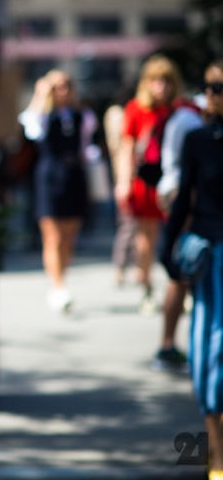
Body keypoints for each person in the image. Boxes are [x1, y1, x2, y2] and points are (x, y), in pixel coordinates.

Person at [160, 59, 223, 479]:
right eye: (210, 86)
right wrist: (168, 253)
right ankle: (216, 456)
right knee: (210, 351)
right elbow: (184, 199)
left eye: (219, 86)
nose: (213, 94)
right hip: (212, 257)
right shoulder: (199, 138)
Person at [19, 69, 97, 312]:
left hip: (74, 176)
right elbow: (32, 130)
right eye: (57, 87)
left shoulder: (81, 116)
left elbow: (87, 147)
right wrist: (41, 95)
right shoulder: (41, 115)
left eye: (66, 86)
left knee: (70, 234)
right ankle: (58, 285)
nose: (62, 91)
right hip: (49, 177)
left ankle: (61, 278)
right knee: (52, 235)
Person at [114, 55, 183, 315]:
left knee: (178, 237)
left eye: (166, 81)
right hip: (146, 183)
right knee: (146, 238)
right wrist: (123, 181)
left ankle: (179, 286)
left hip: (175, 182)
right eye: (156, 81)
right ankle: (147, 288)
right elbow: (126, 147)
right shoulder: (135, 109)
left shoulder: (181, 109)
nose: (161, 87)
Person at [151, 85, 203, 371]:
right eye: (212, 88)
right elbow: (175, 170)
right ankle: (168, 345)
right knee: (182, 274)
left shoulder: (189, 119)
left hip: (190, 204)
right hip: (187, 205)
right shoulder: (188, 120)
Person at [104, 88, 136, 287]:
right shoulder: (116, 115)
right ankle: (121, 267)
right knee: (127, 226)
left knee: (131, 227)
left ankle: (133, 267)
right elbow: (119, 144)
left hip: (132, 177)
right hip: (124, 177)